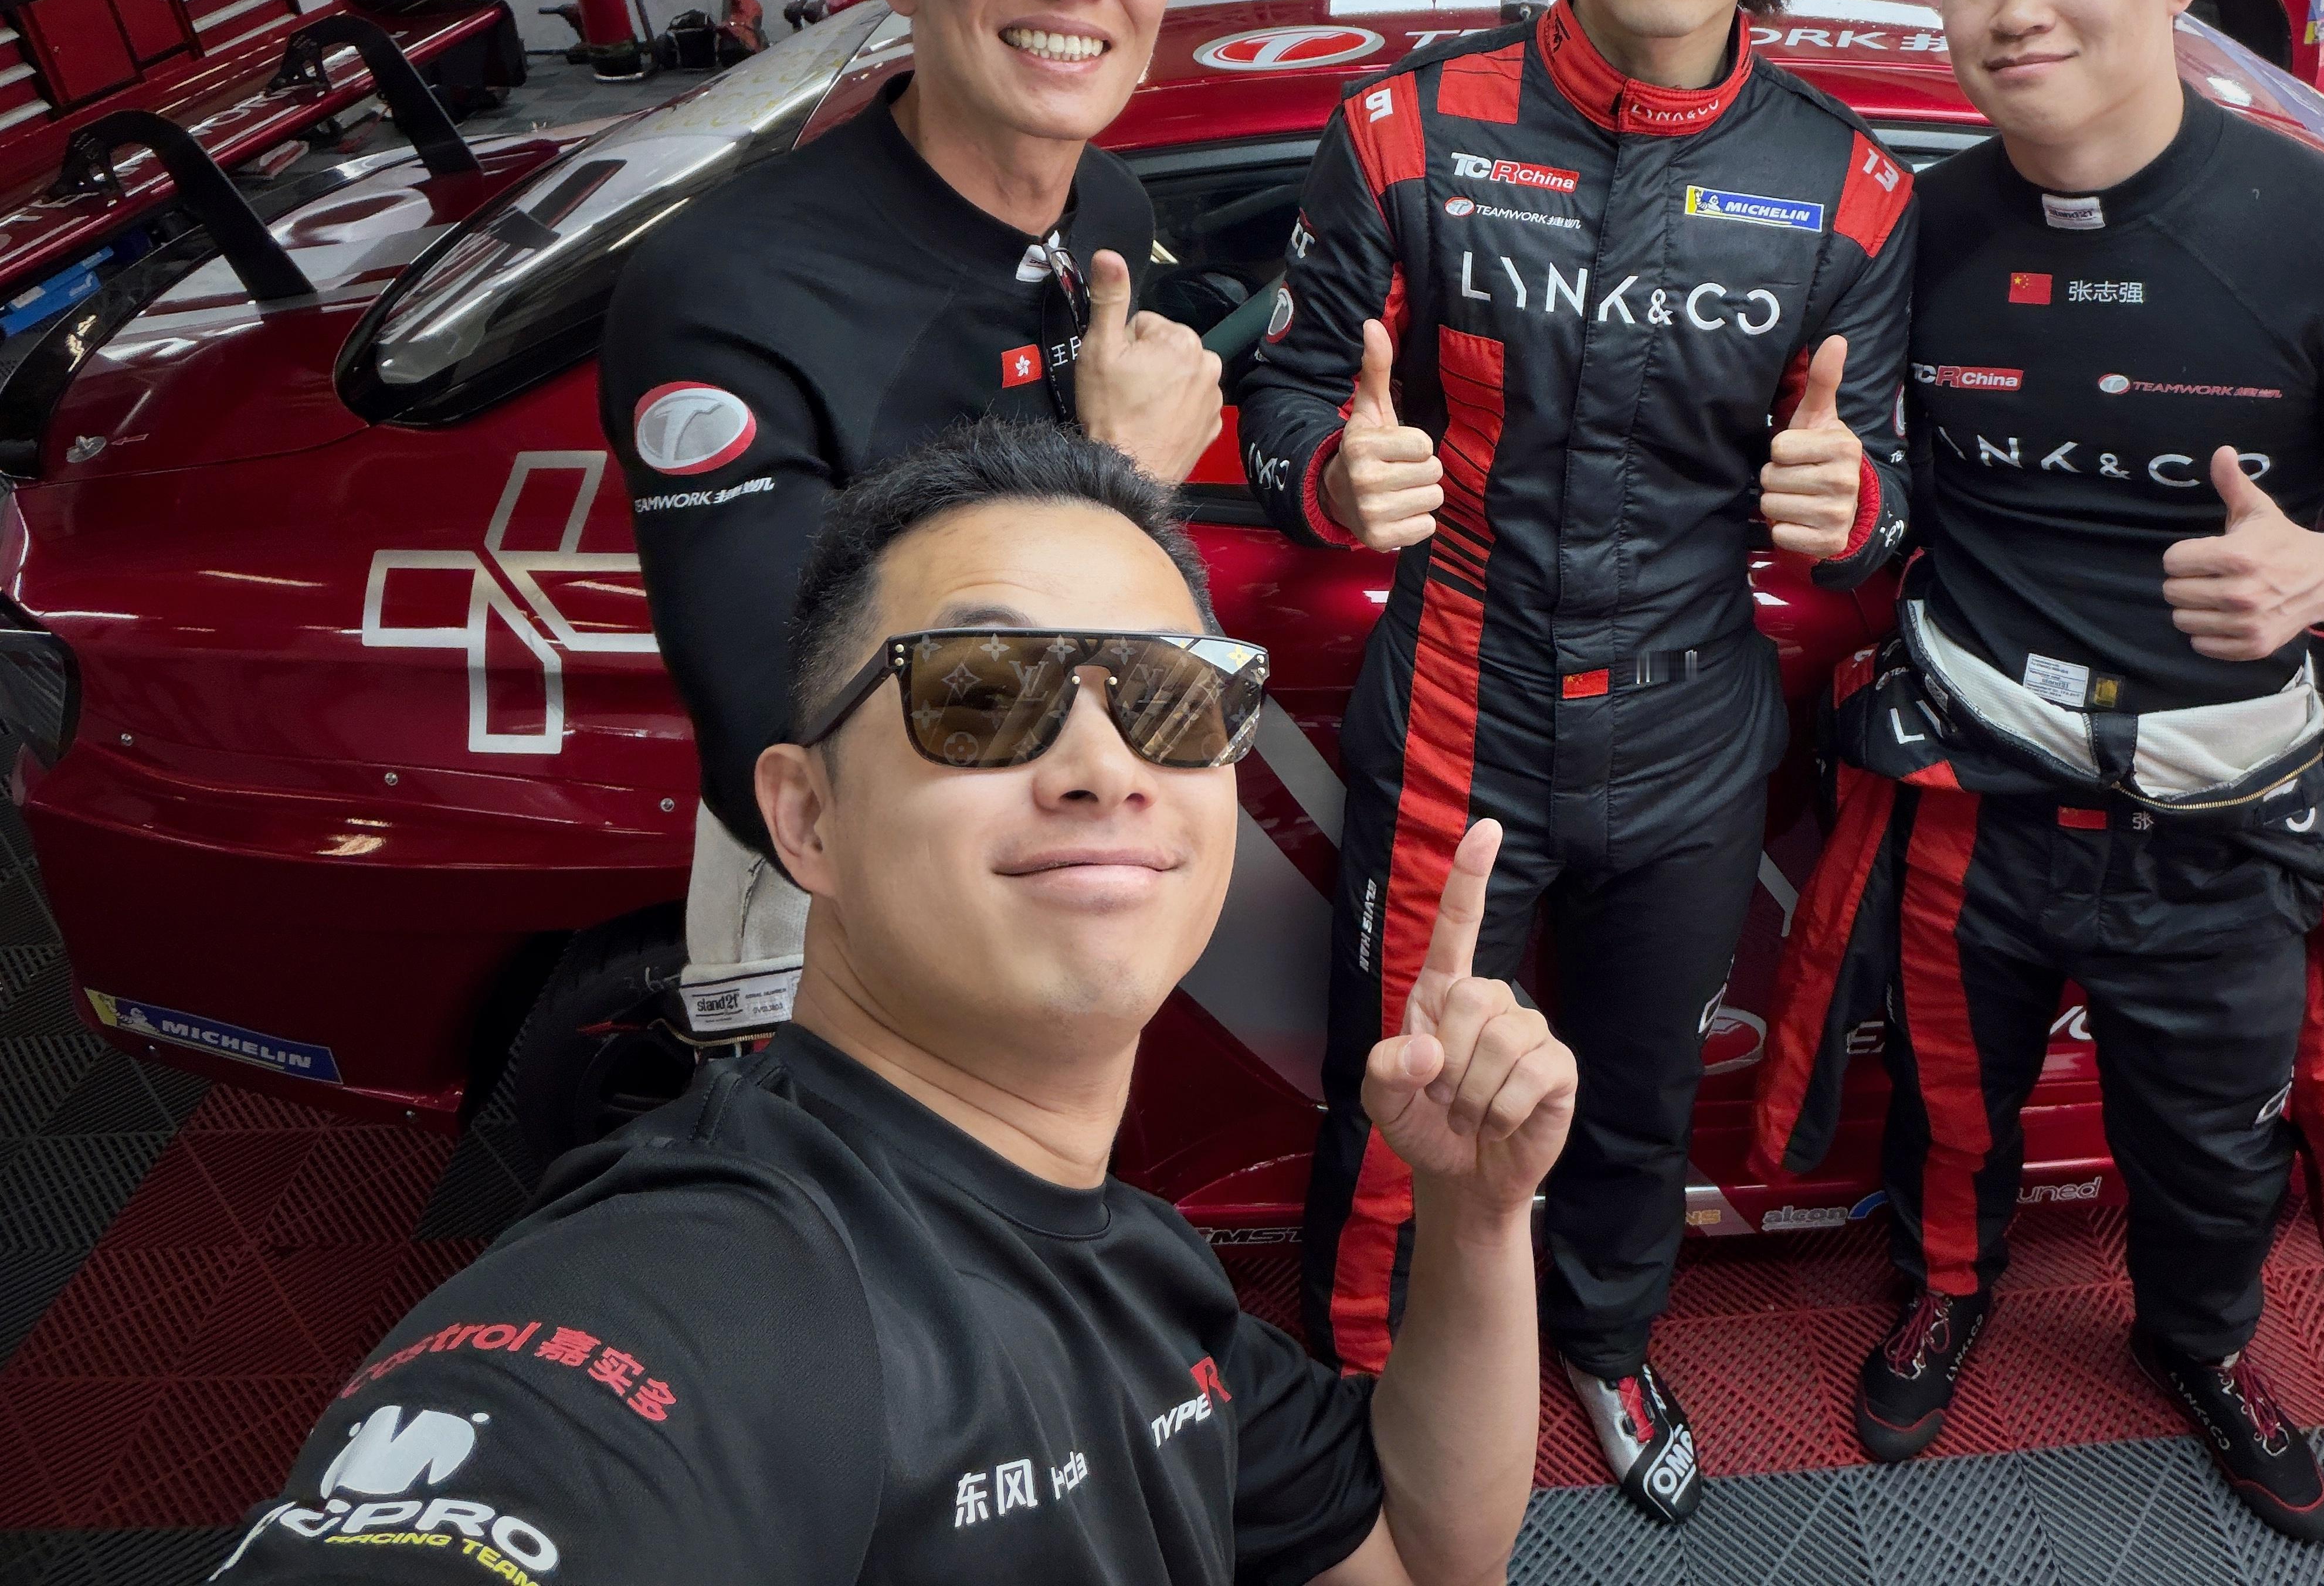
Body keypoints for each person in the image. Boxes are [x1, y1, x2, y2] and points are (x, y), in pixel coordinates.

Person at [213, 422, 1571, 1586]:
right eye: (979, 691)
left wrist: (1474, 1214)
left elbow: (1425, 1556)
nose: (1105, 764)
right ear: (807, 818)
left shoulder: (1143, 1272)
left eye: (1169, 693)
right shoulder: (713, 1291)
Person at [1753, 0, 2324, 1545]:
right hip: (1971, 801)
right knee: (1950, 1110)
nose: (2013, 6)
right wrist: (1837, 507)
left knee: (2216, 1142)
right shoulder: (1918, 234)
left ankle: (2201, 1345)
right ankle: (1944, 1296)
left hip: (2227, 831)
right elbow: (1878, 507)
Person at [1240, 0, 1915, 1524]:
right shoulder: (1406, 129)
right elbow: (1288, 392)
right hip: (1459, 714)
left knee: (1631, 1098)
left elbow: (1893, 490)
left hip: (1692, 740)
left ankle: (1607, 1343)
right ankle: (1357, 1400)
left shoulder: (1854, 189)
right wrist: (1327, 471)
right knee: (1398, 1094)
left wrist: (1855, 502)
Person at [600, 0, 1225, 1046]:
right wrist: (1116, 481)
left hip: (1066, 852)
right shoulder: (727, 288)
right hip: (843, 916)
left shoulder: (1108, 208)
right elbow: (779, 746)